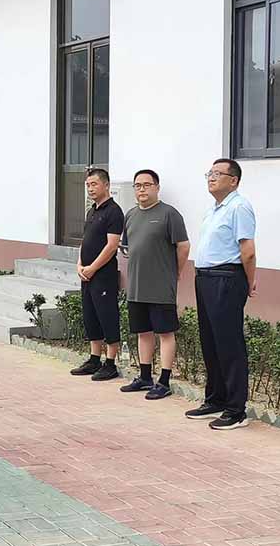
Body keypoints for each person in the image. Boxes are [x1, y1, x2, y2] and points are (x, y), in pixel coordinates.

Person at [186, 159, 256, 431]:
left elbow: (247, 250)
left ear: (233, 180)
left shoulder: (239, 207)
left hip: (226, 278)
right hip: (205, 278)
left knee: (229, 344)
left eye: (217, 173)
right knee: (211, 342)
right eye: (210, 173)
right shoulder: (214, 209)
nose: (211, 177)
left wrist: (249, 281)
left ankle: (236, 410)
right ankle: (215, 399)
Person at [119, 170, 190, 400]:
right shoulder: (130, 215)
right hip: (136, 286)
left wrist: (175, 272)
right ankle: (145, 377)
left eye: (147, 185)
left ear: (157, 187)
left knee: (165, 333)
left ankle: (164, 381)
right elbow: (128, 248)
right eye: (138, 185)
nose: (142, 189)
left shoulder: (169, 214)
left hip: (161, 287)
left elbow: (184, 246)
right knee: (143, 332)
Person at [70, 168, 125, 381]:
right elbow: (85, 241)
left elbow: (112, 246)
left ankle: (110, 363)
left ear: (106, 185)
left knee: (107, 315)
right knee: (90, 316)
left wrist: (93, 267)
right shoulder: (91, 211)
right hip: (87, 274)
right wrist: (80, 264)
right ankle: (94, 359)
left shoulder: (114, 212)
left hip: (103, 275)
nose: (90, 189)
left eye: (94, 184)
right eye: (88, 185)